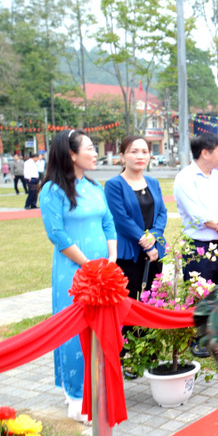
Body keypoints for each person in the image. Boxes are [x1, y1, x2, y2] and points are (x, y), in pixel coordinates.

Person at [39, 130, 117, 422]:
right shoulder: (52, 190)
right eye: (90, 148)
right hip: (73, 272)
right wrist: (88, 265)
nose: (96, 153)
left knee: (99, 330)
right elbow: (57, 234)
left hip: (102, 271)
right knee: (73, 331)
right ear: (71, 154)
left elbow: (108, 223)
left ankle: (96, 387)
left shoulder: (96, 187)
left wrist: (110, 260)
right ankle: (75, 396)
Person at [105, 136, 168, 301]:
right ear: (122, 156)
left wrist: (153, 236)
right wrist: (144, 242)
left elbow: (162, 212)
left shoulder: (153, 183)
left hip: (155, 251)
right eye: (134, 152)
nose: (140, 156)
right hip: (128, 253)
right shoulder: (114, 185)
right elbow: (121, 219)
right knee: (129, 301)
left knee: (153, 299)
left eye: (144, 152)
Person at [173, 132, 218, 285]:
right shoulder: (185, 178)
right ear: (205, 153)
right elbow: (197, 214)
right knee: (198, 300)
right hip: (199, 249)